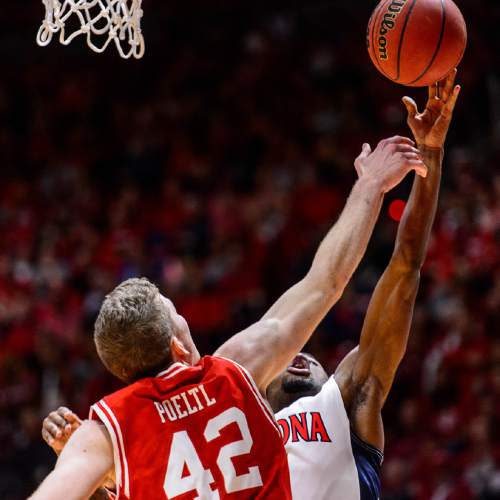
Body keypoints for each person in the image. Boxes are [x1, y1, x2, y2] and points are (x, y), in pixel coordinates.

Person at [31, 133, 426, 500]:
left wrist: (86, 464)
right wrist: (370, 186)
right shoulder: (233, 373)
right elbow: (327, 281)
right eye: (177, 314)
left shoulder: (109, 432)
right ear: (176, 344)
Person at [265, 71, 461, 499]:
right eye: (286, 356)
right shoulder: (237, 435)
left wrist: (430, 153)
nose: (298, 354)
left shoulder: (347, 398)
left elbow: (405, 266)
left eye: (309, 355)